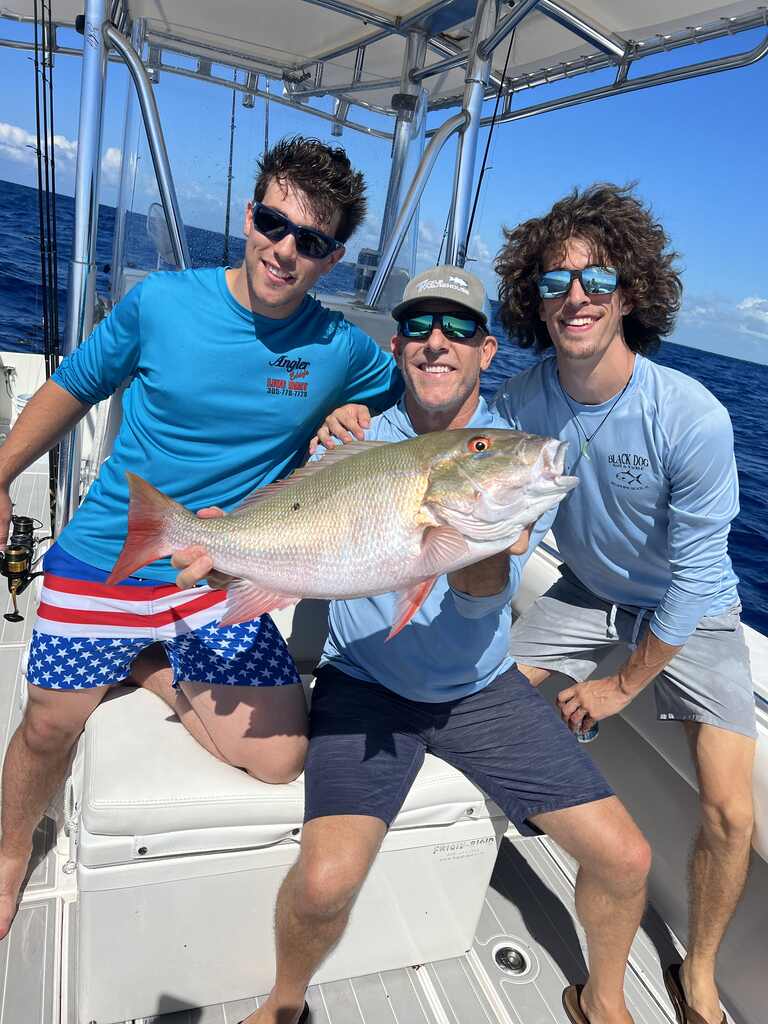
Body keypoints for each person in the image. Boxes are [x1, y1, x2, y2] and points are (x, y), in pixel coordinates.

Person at [174, 266, 652, 1024]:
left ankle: (605, 999)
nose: (439, 343)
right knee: (326, 882)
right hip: (364, 683)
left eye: (460, 329)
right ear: (397, 346)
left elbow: (477, 600)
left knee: (627, 859)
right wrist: (219, 546)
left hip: (479, 689)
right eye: (422, 329)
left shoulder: (506, 453)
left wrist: (481, 534)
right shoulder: (355, 436)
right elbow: (292, 510)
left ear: (486, 350)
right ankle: (283, 1003)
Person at [0, 136, 402, 939]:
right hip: (115, 546)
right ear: (249, 213)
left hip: (230, 566)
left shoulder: (345, 350)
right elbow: (74, 387)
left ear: (335, 259)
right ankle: (10, 854)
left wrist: (351, 417)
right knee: (50, 723)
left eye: (310, 241)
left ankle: (144, 663)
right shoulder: (161, 303)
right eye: (271, 222)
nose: (283, 250)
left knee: (279, 758)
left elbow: (418, 398)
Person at [493, 183, 756, 1024]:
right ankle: (530, 808)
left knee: (730, 808)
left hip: (697, 612)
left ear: (630, 294)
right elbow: (453, 458)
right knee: (479, 697)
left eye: (596, 280)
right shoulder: (526, 396)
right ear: (532, 299)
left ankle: (699, 971)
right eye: (554, 282)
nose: (575, 298)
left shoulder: (693, 416)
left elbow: (693, 579)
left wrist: (617, 688)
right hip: (589, 591)